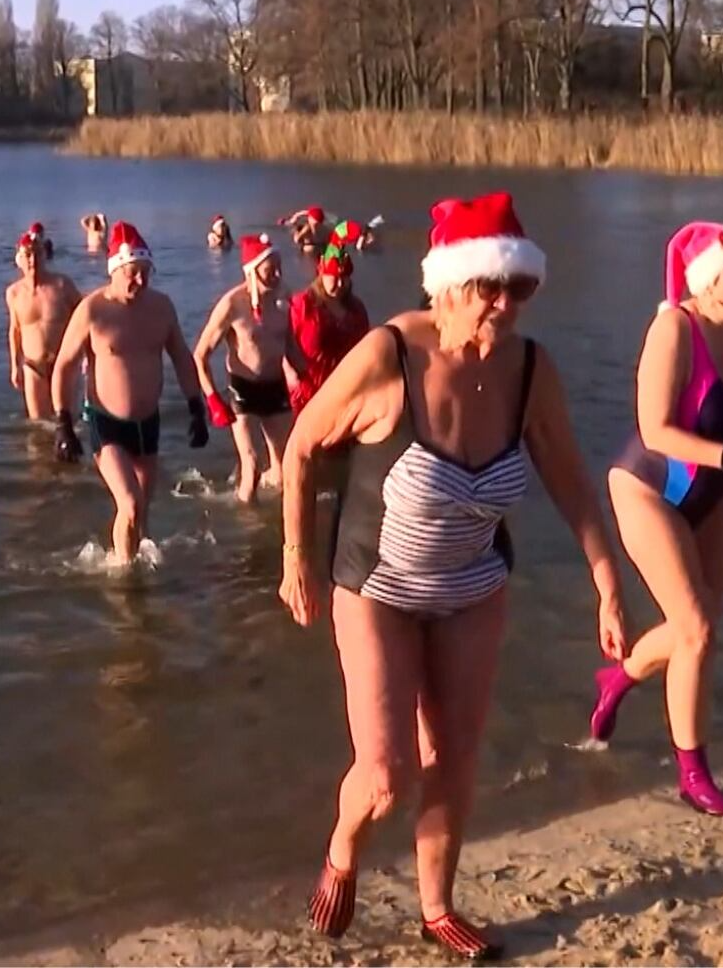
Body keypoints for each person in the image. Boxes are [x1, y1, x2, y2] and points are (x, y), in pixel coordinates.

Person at [279, 191, 625, 960]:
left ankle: (436, 906)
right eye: (488, 288)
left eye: (519, 289)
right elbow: (301, 447)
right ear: (447, 287)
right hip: (377, 590)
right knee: (386, 773)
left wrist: (606, 579)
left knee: (455, 759)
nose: (504, 305)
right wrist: (295, 558)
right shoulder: (387, 357)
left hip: (472, 590)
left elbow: (571, 479)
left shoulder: (532, 371)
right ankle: (343, 846)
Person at [592, 221, 723, 817]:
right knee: (698, 631)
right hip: (650, 489)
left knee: (700, 629)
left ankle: (618, 679)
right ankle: (692, 773)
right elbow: (654, 428)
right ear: (709, 278)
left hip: (712, 494)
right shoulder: (675, 328)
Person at [50, 221, 209, 565]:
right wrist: (63, 423)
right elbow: (64, 365)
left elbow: (181, 356)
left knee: (143, 514)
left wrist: (197, 405)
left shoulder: (162, 307)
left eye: (146, 272)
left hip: (147, 423)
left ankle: (137, 572)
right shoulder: (93, 310)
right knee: (131, 503)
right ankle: (123, 580)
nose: (141, 280)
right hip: (106, 424)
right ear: (115, 270)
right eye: (133, 273)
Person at [194, 233, 299, 503]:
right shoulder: (232, 304)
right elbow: (201, 355)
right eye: (269, 270)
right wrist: (213, 399)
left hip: (275, 387)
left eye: (279, 268)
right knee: (250, 465)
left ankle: (282, 525)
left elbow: (290, 344)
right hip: (244, 389)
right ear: (252, 272)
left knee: (288, 465)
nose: (276, 275)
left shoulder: (284, 297)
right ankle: (247, 531)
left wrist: (306, 376)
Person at [4, 230, 83, 420]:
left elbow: (83, 319)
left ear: (45, 255)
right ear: (19, 259)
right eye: (28, 255)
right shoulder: (14, 293)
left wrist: (87, 356)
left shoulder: (62, 285)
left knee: (67, 422)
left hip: (62, 364)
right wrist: (15, 366)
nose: (33, 260)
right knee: (38, 425)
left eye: (38, 253)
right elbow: (15, 330)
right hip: (33, 366)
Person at [288, 244, 371, 419]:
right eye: (335, 277)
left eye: (345, 278)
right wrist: (290, 373)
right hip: (309, 392)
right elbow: (282, 343)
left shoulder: (356, 308)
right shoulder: (302, 305)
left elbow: (367, 349)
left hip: (346, 392)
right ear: (322, 273)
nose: (340, 284)